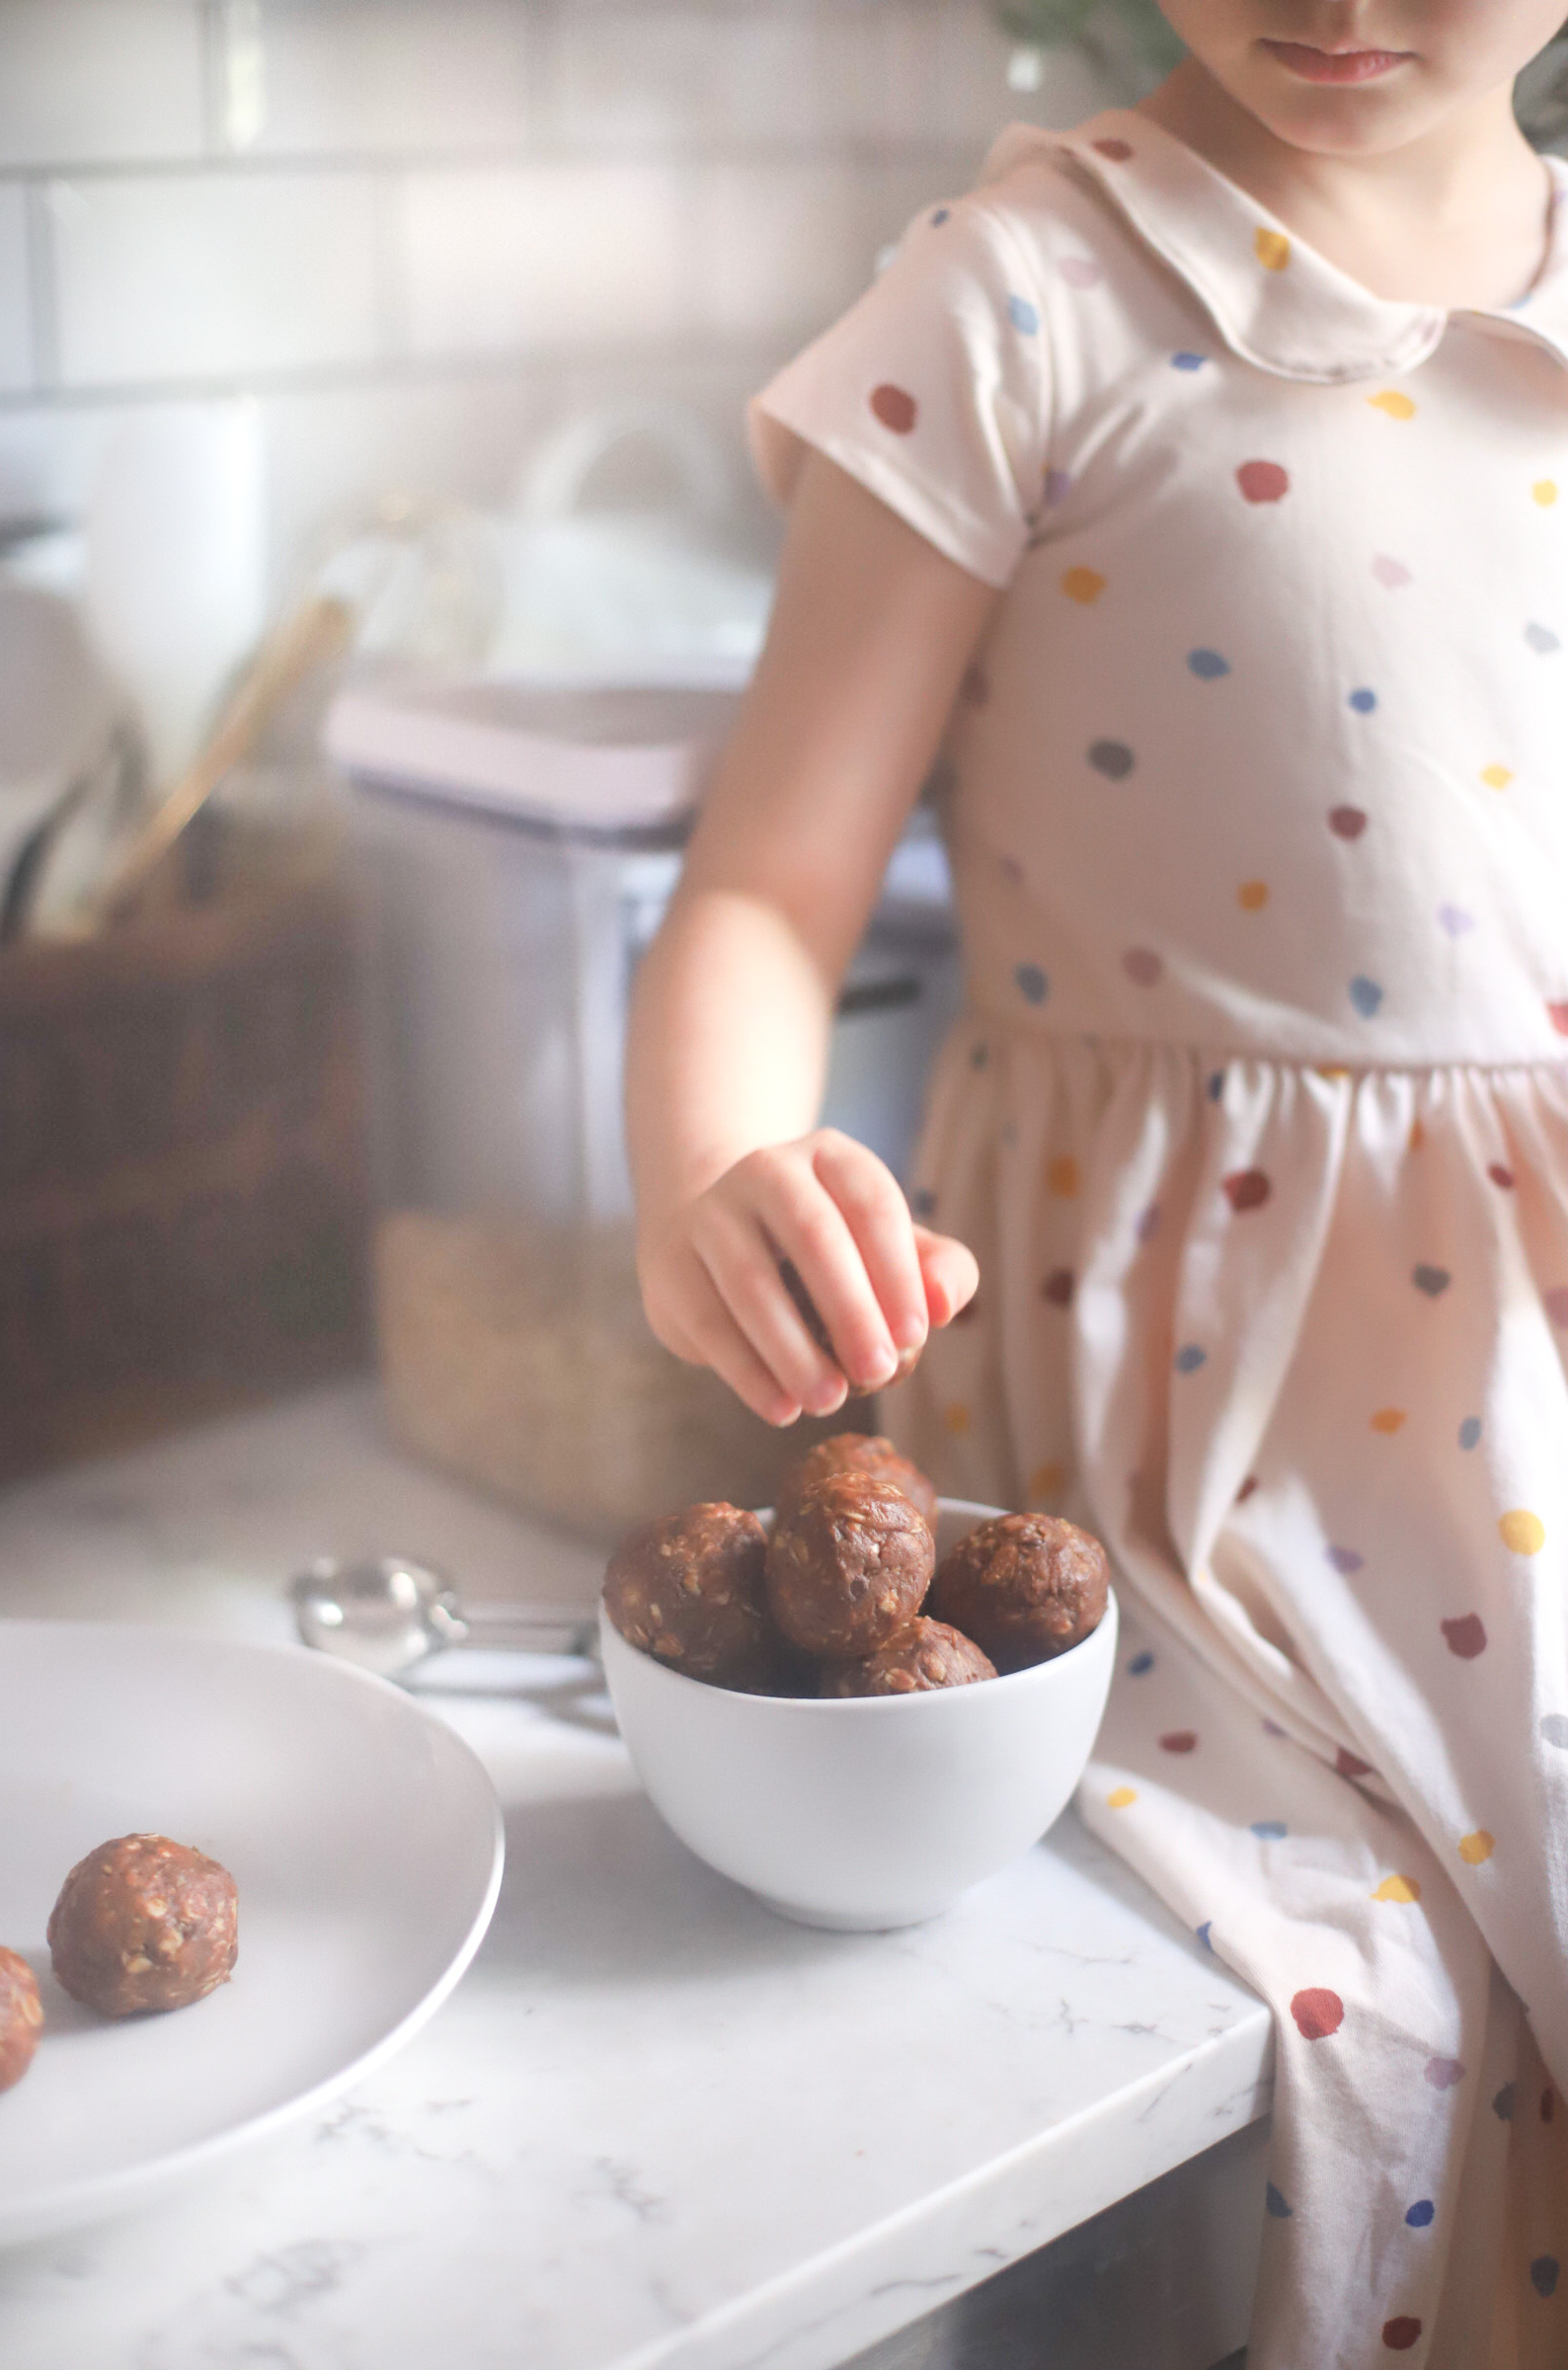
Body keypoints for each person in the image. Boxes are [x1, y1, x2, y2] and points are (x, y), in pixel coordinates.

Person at [625, 6, 1568, 2359]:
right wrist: (717, 1174)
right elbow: (761, 889)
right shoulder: (1022, 290)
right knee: (1362, 2016)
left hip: (1526, 1374)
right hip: (1200, 1430)